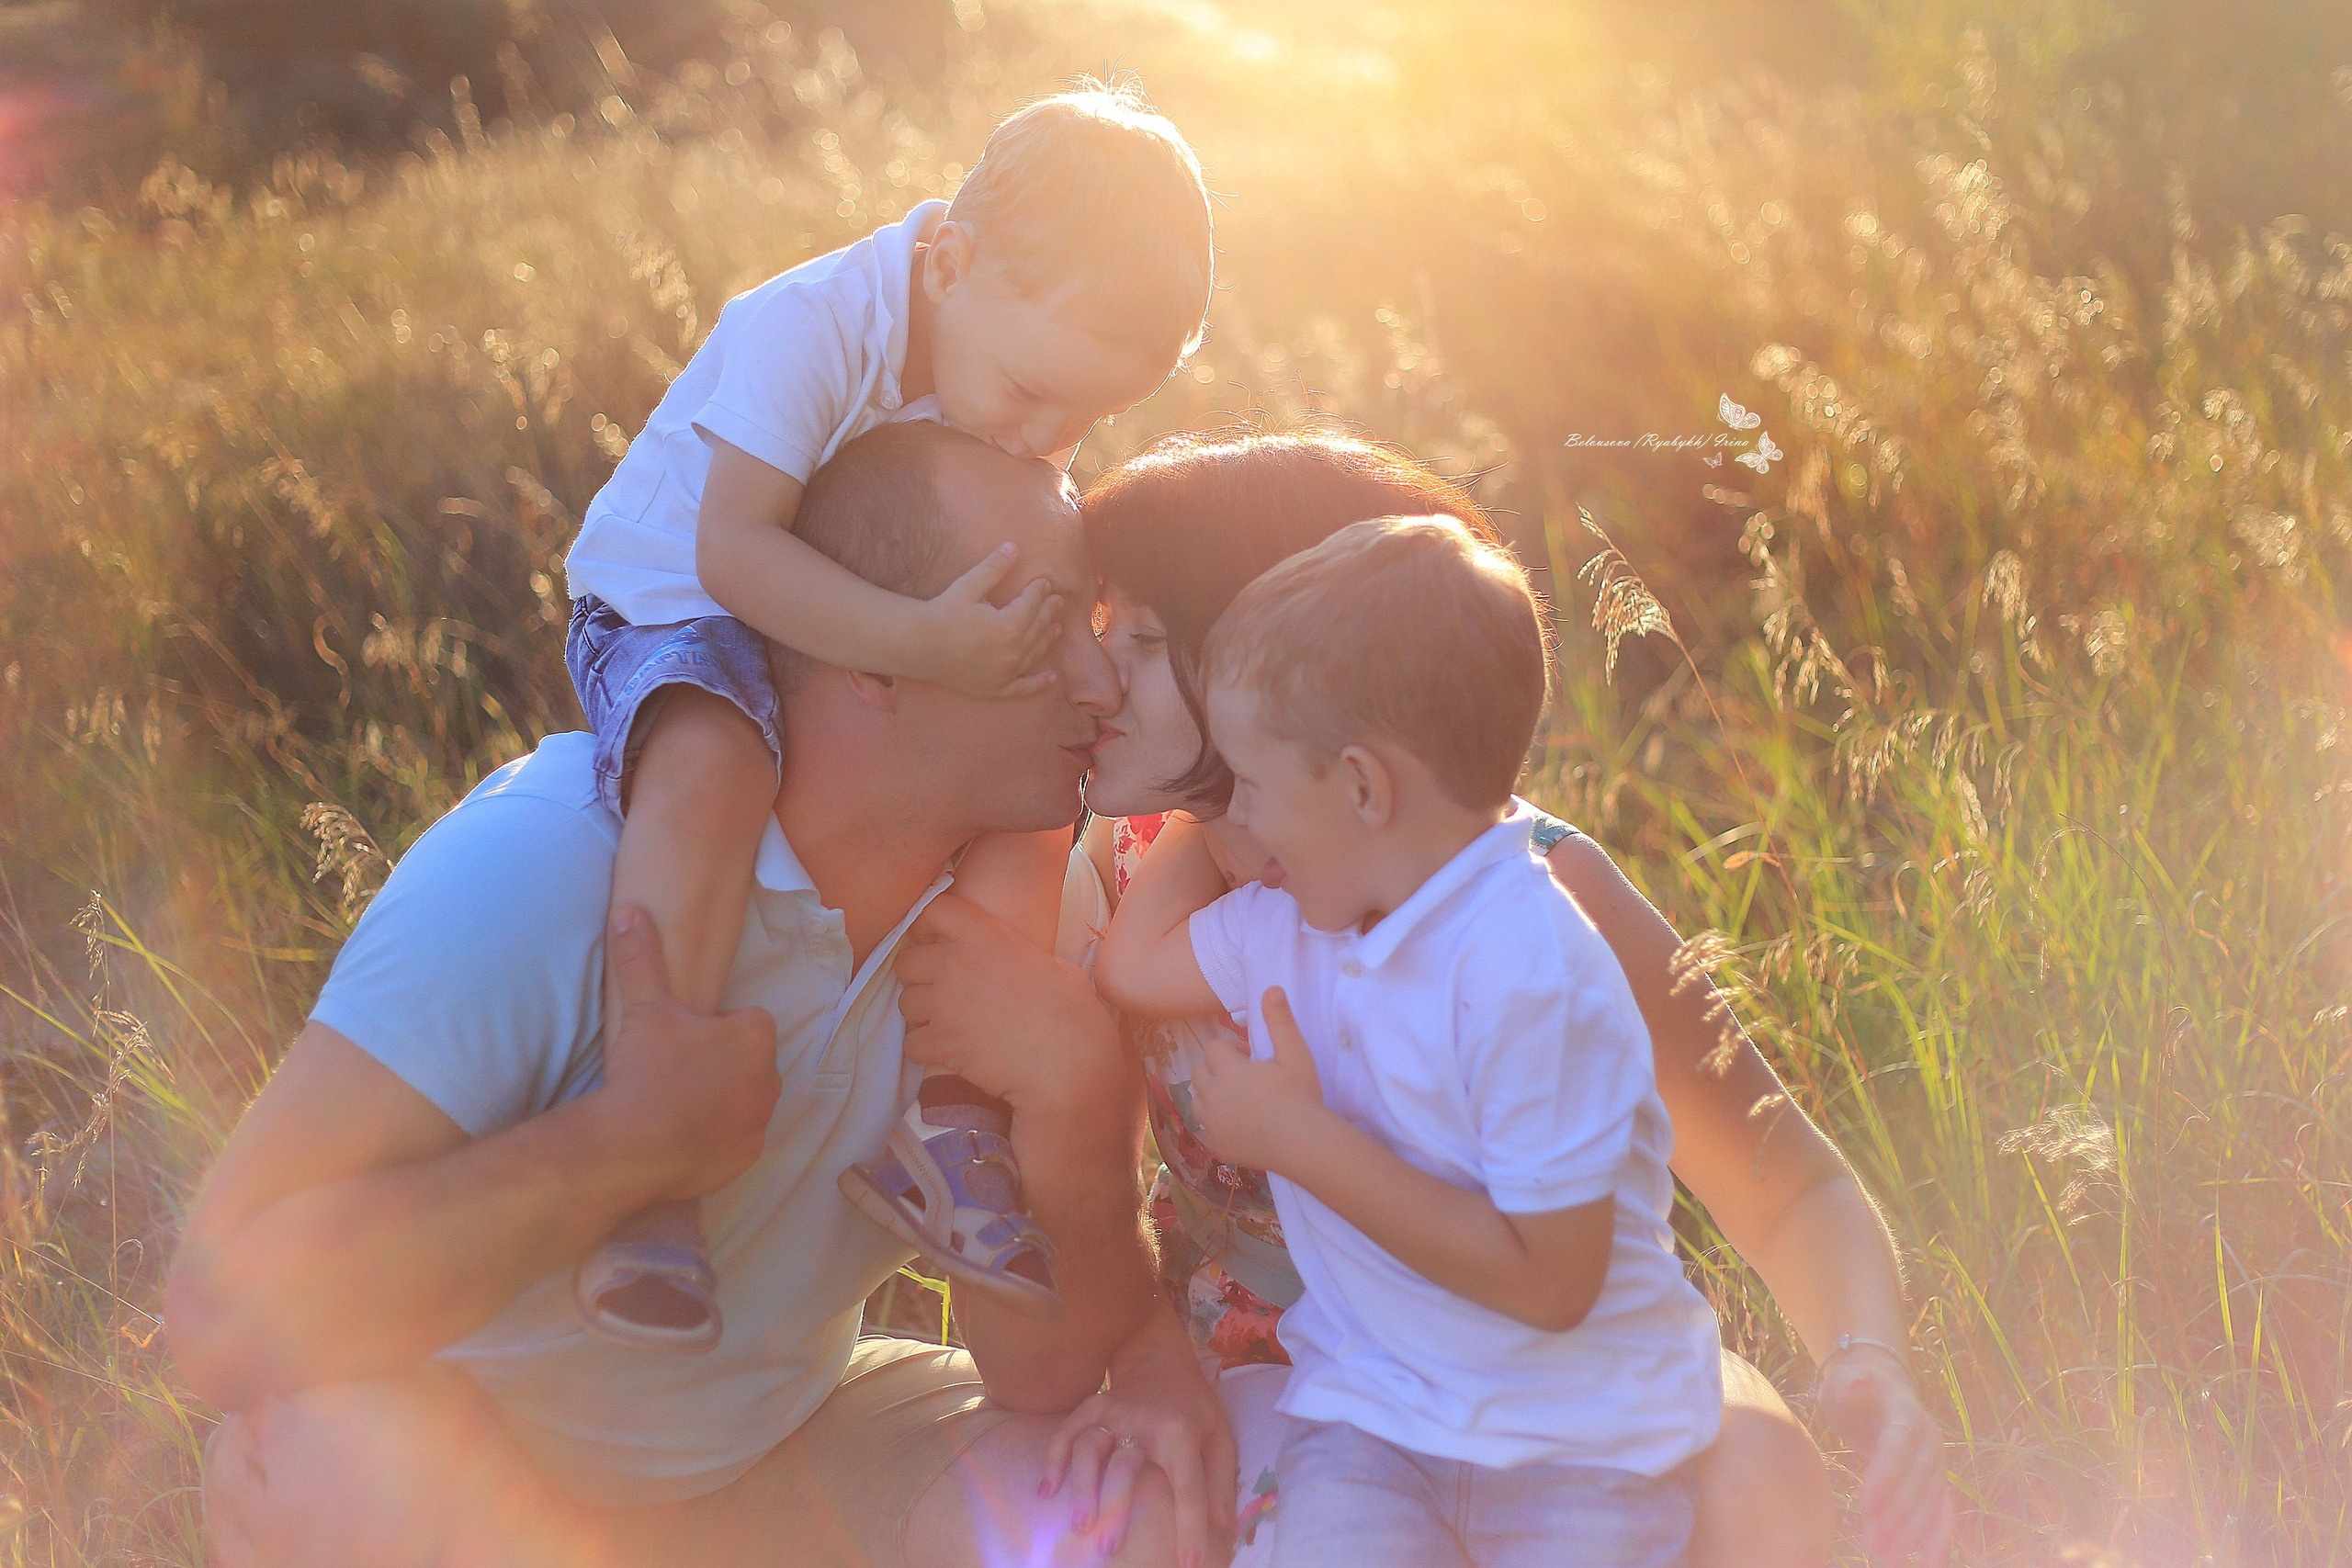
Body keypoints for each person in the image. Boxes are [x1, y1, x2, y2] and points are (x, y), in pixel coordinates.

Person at [925, 429, 1955, 1567]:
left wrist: (1867, 1362)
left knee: (1758, 1476)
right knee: (1087, 1519)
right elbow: (1085, 1216)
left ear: (1277, 655)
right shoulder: (1118, 886)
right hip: (1281, 1365)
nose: (1097, 665)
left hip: (1533, 1372)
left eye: (1149, 635)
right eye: (1100, 620)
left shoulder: (1530, 902)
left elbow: (1782, 1179)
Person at [166, 423, 1189, 1568]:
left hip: (789, 1451)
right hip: (482, 1479)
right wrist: (627, 1146)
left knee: (1119, 1510)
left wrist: (1078, 1100)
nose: (1100, 682)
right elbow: (216, 1317)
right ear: (871, 652)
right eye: (1047, 626)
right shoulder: (550, 867)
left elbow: (1040, 1374)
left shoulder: (1033, 916)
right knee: (331, 1464)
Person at [560, 79, 1214, 1341]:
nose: (1049, 435)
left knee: (1034, 802)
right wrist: (923, 641)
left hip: (864, 621)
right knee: (712, 759)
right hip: (678, 603)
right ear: (951, 260)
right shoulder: (808, 325)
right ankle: (646, 1117)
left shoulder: (1005, 366)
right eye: (1034, 393)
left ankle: (955, 1110)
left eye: (1088, 414)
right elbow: (739, 550)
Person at [1095, 514, 1723, 1566]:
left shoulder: (1530, 967)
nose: (1223, 820)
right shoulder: (1292, 918)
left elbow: (1549, 1283)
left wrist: (1295, 1140)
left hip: (1572, 1437)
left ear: (1361, 787)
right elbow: (1131, 964)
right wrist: (1214, 820)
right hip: (1375, 1418)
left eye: (1244, 784)